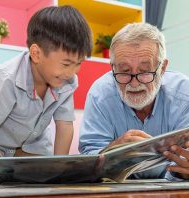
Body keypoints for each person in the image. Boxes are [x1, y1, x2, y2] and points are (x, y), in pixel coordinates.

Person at [79, 22, 189, 180]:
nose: (135, 83)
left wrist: (183, 172)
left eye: (144, 71)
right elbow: (88, 161)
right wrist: (113, 151)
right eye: (124, 71)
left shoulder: (185, 95)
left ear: (162, 68)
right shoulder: (100, 95)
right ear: (113, 69)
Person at [0, 5, 92, 157]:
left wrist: (59, 167)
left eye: (79, 63)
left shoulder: (67, 82)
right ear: (36, 54)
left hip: (34, 150)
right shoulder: (7, 79)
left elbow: (65, 125)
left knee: (48, 174)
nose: (71, 72)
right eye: (66, 64)